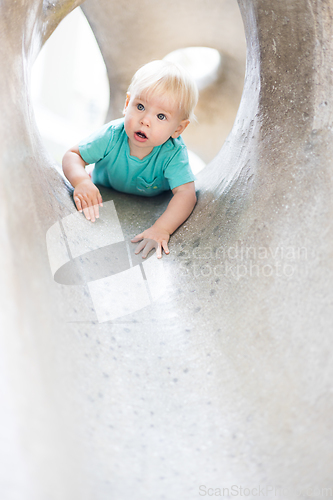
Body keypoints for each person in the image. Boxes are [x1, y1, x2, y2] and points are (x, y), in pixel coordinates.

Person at [62, 59, 198, 259]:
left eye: (161, 117)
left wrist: (162, 228)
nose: (145, 120)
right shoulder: (112, 135)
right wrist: (81, 181)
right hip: (104, 189)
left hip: (149, 206)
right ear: (127, 104)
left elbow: (186, 194)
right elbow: (73, 155)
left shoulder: (173, 153)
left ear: (178, 129)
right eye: (140, 106)